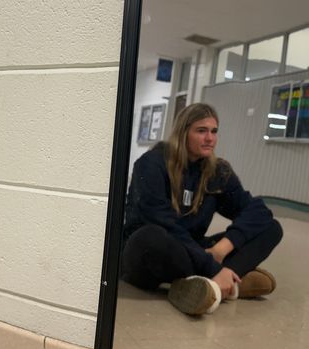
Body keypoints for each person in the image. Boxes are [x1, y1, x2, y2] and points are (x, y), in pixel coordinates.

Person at [121, 103, 282, 315]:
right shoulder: (152, 164)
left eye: (214, 131)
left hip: (192, 250)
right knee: (151, 237)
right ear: (183, 132)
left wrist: (221, 249)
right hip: (150, 252)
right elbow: (163, 223)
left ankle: (207, 284)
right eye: (201, 131)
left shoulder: (217, 171)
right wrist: (214, 267)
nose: (210, 139)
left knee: (271, 227)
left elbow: (257, 211)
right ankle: (227, 281)